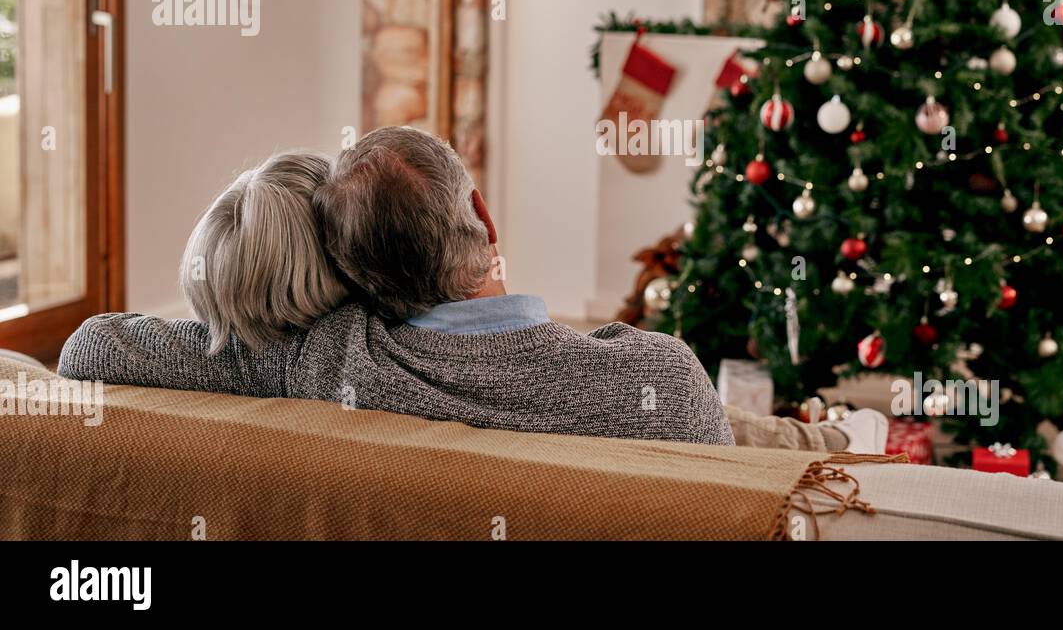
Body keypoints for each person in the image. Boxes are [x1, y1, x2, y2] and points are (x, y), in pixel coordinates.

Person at [59, 130, 882, 452]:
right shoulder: (662, 377)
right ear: (482, 216)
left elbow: (92, 344)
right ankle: (841, 439)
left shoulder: (319, 363)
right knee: (815, 442)